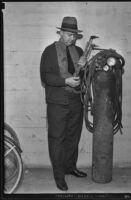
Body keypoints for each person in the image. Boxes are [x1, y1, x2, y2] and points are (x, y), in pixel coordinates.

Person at [40, 16, 87, 191]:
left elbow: (82, 78)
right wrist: (66, 82)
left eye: (74, 35)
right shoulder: (49, 51)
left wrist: (84, 67)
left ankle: (70, 167)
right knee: (57, 139)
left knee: (73, 137)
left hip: (76, 100)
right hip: (57, 102)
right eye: (68, 34)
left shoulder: (80, 51)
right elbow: (46, 77)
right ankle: (59, 176)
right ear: (60, 32)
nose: (71, 38)